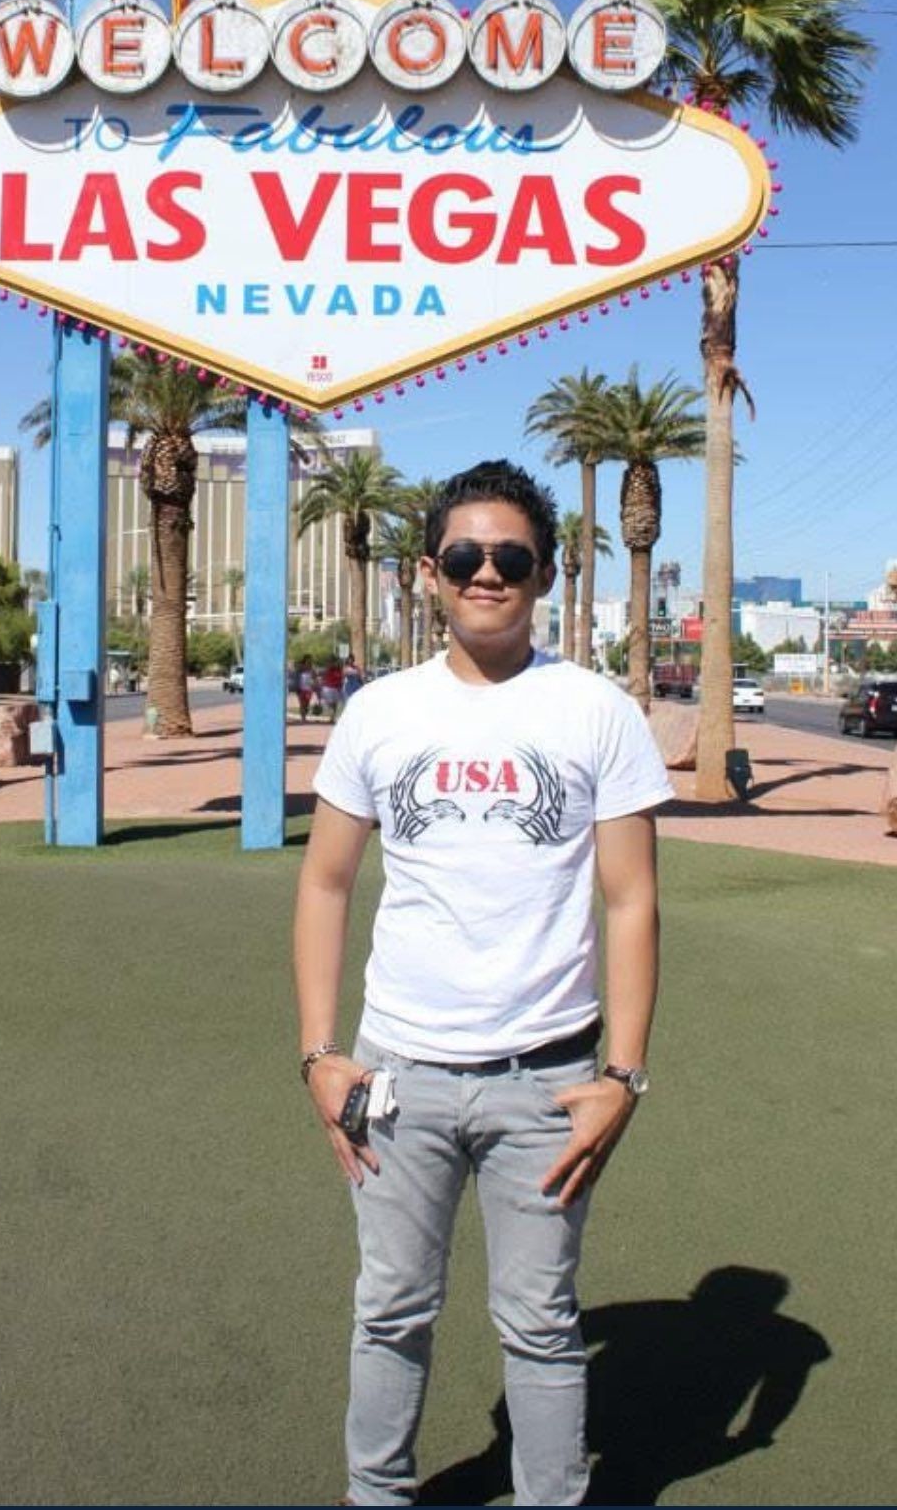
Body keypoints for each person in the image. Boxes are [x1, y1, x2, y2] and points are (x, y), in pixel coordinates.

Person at [293, 458, 672, 1508]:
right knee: (390, 1309)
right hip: (399, 1076)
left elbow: (632, 901)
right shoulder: (379, 712)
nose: (487, 573)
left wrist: (622, 1076)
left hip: (545, 1081)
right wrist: (320, 1053)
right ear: (430, 573)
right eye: (465, 555)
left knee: (542, 1323)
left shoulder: (597, 711)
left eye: (511, 556)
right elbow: (325, 883)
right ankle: (377, 1494)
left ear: (545, 572)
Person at [320, 657, 344, 722]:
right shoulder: (329, 669)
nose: (337, 664)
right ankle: (332, 715)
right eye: (335, 662)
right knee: (329, 703)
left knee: (335, 704)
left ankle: (332, 718)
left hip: (336, 688)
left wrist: (340, 686)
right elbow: (325, 674)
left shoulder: (339, 670)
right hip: (329, 688)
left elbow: (341, 679)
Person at [296, 655, 316, 724]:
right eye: (308, 660)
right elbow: (296, 677)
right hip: (301, 688)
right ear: (305, 660)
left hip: (309, 689)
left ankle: (304, 716)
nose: (309, 661)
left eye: (310, 660)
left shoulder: (312, 669)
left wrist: (315, 685)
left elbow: (314, 678)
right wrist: (296, 687)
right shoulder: (300, 669)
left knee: (307, 704)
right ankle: (303, 718)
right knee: (302, 704)